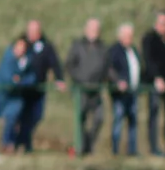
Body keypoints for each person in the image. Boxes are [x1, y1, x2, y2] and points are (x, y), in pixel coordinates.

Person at [65, 17, 107, 157]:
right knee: (80, 119)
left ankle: (89, 143)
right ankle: (81, 147)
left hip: (96, 90)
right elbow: (70, 65)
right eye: (92, 29)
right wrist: (80, 78)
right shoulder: (77, 45)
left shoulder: (102, 47)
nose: (94, 32)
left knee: (99, 118)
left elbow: (107, 67)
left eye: (97, 29)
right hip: (81, 90)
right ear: (86, 30)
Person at [15, 19, 59, 151]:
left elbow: (54, 63)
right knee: (22, 117)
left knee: (36, 116)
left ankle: (24, 142)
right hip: (23, 89)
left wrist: (59, 79)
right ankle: (21, 144)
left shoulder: (46, 45)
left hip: (39, 89)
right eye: (30, 31)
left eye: (35, 31)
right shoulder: (21, 43)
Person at [141, 11, 165, 158]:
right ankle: (154, 147)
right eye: (162, 23)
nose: (164, 26)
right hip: (154, 84)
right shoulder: (149, 39)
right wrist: (156, 78)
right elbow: (148, 60)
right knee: (154, 114)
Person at [106, 22, 142, 157]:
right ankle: (115, 149)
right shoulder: (114, 50)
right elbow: (109, 69)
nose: (129, 38)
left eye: (131, 36)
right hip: (119, 93)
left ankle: (132, 149)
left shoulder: (133, 50)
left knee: (133, 120)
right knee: (118, 119)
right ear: (120, 36)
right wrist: (118, 82)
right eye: (127, 35)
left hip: (133, 91)